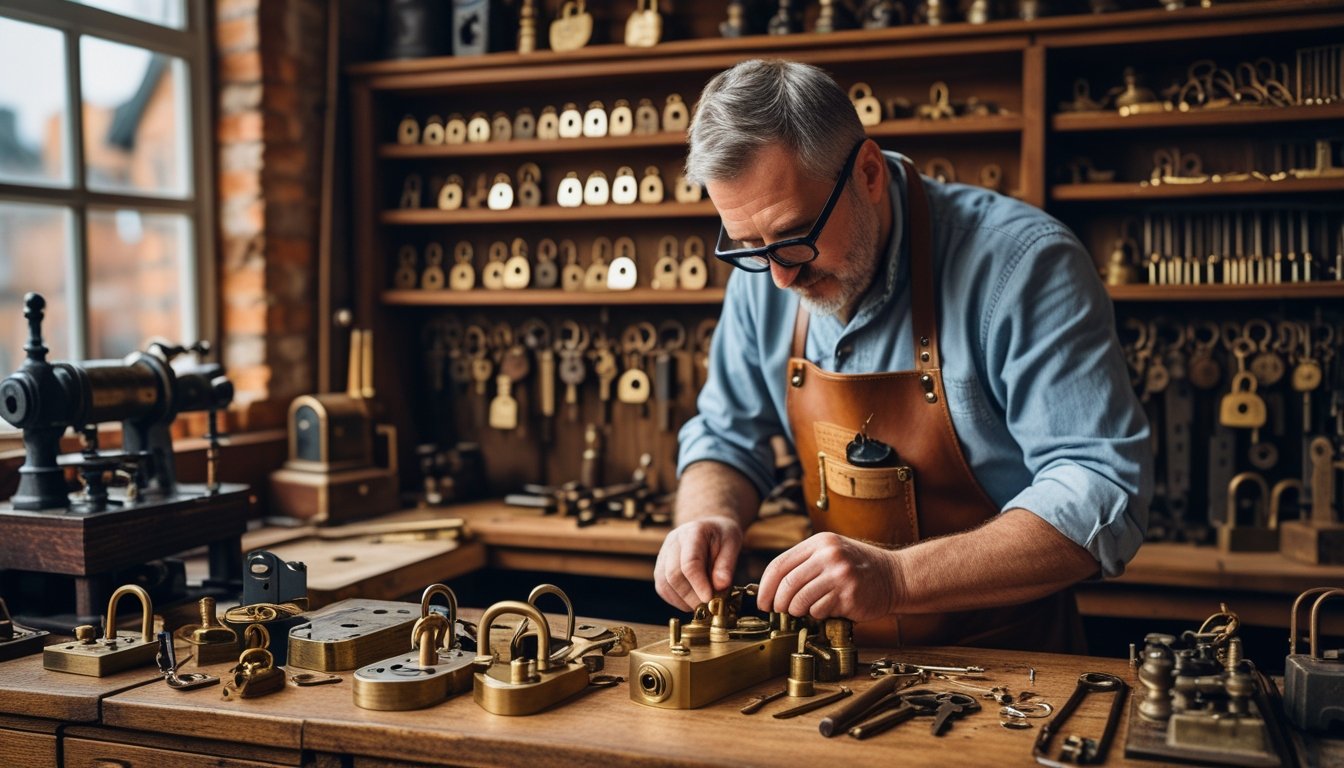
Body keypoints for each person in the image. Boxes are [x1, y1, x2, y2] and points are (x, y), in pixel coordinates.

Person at [654, 59, 1152, 651]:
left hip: (1009, 662)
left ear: (867, 172)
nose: (780, 277)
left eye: (795, 237)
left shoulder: (1024, 266)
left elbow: (1099, 491)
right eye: (749, 247)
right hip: (834, 660)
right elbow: (726, 437)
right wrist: (708, 515)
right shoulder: (765, 272)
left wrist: (896, 578)